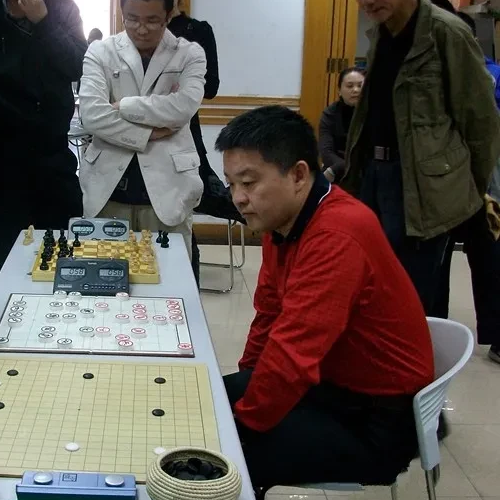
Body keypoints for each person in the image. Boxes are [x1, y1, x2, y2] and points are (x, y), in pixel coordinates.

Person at [219, 106, 434, 494]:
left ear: (299, 175)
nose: (238, 198)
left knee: (228, 457)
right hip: (329, 386)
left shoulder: (337, 233)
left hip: (374, 420)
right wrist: (248, 380)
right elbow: (269, 312)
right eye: (231, 184)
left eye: (248, 183)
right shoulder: (281, 218)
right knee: (208, 400)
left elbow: (294, 353)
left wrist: (242, 425)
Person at [343, 0, 500, 315]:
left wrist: (462, 186)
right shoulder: (381, 34)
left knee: (413, 294)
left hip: (423, 184)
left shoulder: (447, 32)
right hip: (374, 175)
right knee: (373, 284)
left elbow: (481, 122)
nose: (366, 2)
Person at [78, 0, 207, 259]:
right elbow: (91, 114)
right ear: (122, 13)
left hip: (169, 187)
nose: (141, 29)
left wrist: (124, 106)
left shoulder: (189, 54)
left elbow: (183, 107)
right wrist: (147, 134)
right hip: (108, 188)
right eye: (132, 19)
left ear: (168, 16)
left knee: (168, 272)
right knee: (106, 272)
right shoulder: (100, 51)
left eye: (152, 20)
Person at [431, 10, 500, 364]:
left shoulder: (491, 74)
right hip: (441, 182)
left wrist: (483, 181)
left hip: (480, 182)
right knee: (436, 260)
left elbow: (487, 130)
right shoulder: (433, 72)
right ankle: (435, 334)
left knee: (489, 257)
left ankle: (496, 335)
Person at [0, 0, 86, 268]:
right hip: (6, 157)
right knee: (8, 256)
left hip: (53, 152)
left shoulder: (63, 8)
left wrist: (44, 21)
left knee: (63, 250)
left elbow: (77, 65)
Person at [168, 0, 244, 286]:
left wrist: (180, 80)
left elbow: (210, 86)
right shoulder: (141, 31)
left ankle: (188, 287)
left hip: (185, 125)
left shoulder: (196, 30)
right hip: (146, 128)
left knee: (188, 203)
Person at [320, 67, 365, 183]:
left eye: (360, 86)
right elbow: (326, 151)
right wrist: (341, 166)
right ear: (339, 90)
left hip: (365, 171)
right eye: (350, 86)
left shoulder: (373, 114)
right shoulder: (330, 114)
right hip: (335, 169)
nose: (355, 90)